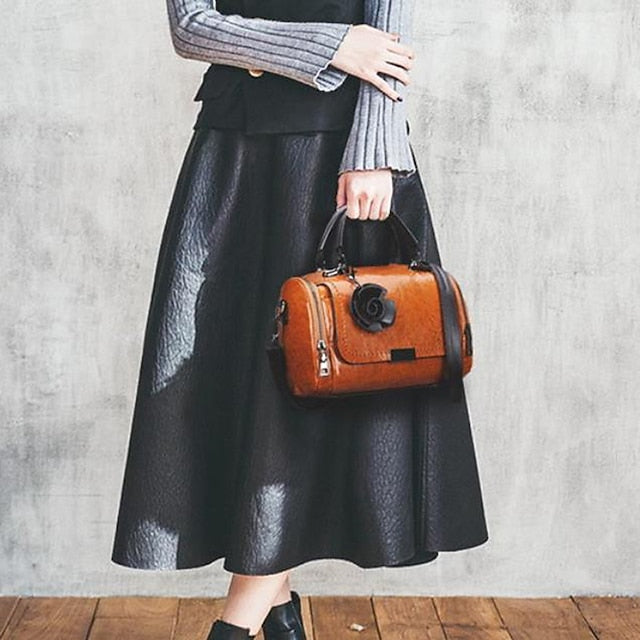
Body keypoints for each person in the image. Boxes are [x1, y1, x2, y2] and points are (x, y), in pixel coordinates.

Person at [110, 1, 489, 638]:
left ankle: (236, 626)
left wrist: (373, 152)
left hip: (340, 164)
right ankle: (279, 616)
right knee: (238, 382)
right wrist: (335, 46)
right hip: (232, 162)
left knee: (311, 383)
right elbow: (191, 27)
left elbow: (389, 38)